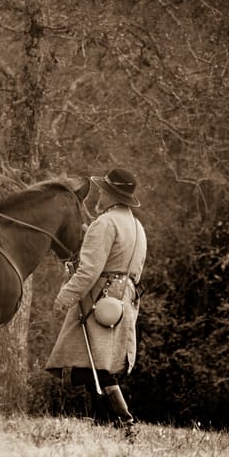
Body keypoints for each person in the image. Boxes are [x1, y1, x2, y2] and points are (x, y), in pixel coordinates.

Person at [45, 168, 148, 441]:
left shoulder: (105, 224)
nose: (99, 195)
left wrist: (64, 297)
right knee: (93, 365)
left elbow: (89, 271)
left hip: (99, 300)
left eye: (102, 191)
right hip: (123, 299)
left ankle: (124, 422)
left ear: (111, 195)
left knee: (97, 365)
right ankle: (104, 425)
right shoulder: (136, 226)